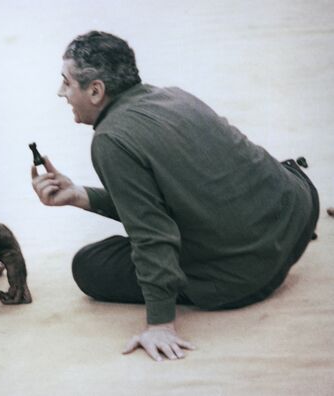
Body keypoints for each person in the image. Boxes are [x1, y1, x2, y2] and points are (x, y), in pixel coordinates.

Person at [31, 31, 319, 361]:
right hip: (297, 211)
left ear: (95, 90)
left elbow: (152, 234)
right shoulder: (174, 96)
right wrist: (81, 195)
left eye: (66, 83)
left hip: (249, 275)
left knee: (90, 264)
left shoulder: (111, 139)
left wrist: (160, 324)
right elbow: (180, 191)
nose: (61, 92)